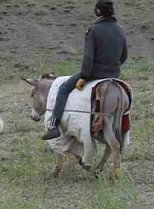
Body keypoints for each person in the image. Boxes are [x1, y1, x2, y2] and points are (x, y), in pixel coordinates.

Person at [42, 0, 127, 140]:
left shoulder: (93, 29)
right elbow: (124, 56)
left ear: (98, 11)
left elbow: (88, 57)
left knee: (63, 88)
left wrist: (85, 76)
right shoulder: (121, 29)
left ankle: (54, 125)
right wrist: (113, 68)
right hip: (115, 74)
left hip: (95, 73)